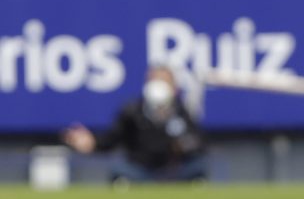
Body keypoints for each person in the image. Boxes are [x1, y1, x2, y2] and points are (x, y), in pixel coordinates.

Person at [62, 66, 207, 183]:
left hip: (174, 173)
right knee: (119, 171)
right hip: (140, 172)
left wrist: (182, 143)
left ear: (174, 88)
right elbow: (112, 139)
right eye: (154, 81)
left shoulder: (181, 111)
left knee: (198, 168)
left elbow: (197, 144)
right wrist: (92, 142)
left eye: (164, 82)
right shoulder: (132, 111)